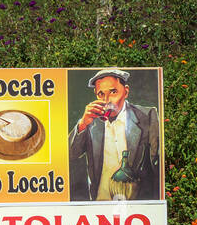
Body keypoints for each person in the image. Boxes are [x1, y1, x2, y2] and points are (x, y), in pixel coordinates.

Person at [68, 68, 160, 201]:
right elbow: (69, 155)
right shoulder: (90, 122)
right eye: (101, 94)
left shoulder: (147, 116)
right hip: (102, 201)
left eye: (113, 92)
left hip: (136, 204)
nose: (107, 100)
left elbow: (157, 165)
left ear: (126, 91)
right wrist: (82, 124)